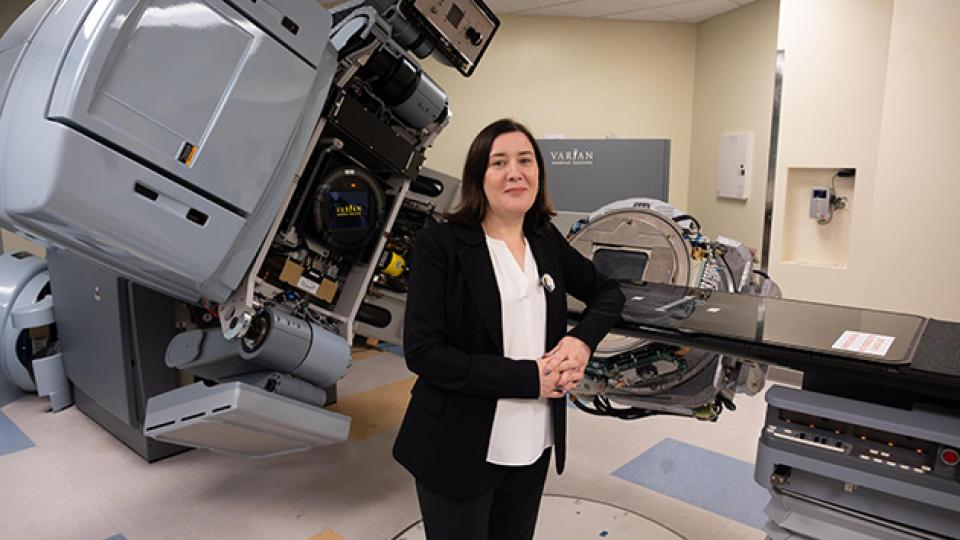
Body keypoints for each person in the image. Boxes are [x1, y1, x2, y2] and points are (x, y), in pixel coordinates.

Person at [393, 119, 625, 540]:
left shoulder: (544, 239)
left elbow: (608, 292)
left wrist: (581, 340)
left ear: (539, 173)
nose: (515, 172)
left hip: (533, 444)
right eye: (499, 162)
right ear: (479, 177)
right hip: (459, 449)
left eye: (525, 160)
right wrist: (527, 378)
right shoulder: (441, 245)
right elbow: (424, 353)